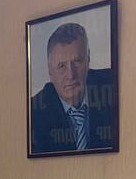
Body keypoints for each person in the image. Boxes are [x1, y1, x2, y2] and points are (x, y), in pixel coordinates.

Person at [29, 22, 116, 154]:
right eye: (61, 66)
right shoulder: (34, 113)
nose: (70, 75)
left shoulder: (113, 84)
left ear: (88, 60)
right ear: (50, 71)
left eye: (77, 62)